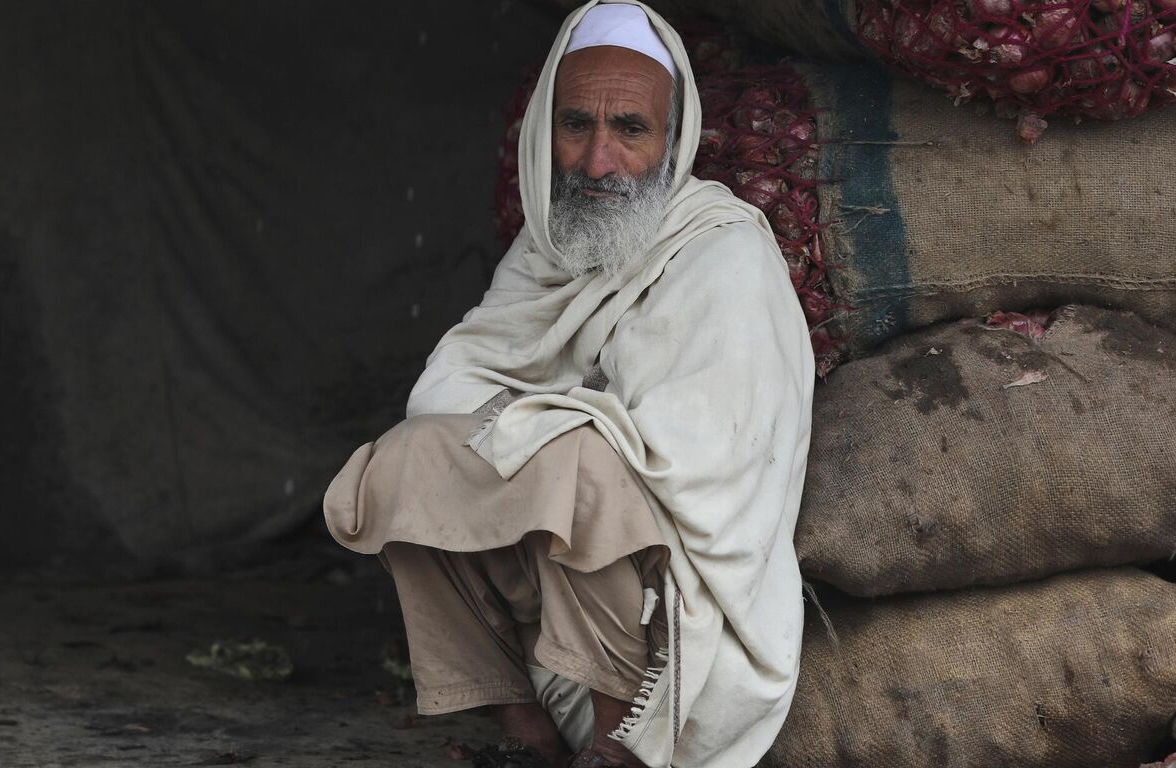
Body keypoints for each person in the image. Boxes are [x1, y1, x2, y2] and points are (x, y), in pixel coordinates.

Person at [322, 2, 815, 766]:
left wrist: (549, 427)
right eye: (576, 124)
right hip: (553, 623)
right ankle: (528, 736)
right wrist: (545, 431)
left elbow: (695, 470)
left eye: (631, 129)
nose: (596, 161)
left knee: (579, 465)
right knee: (410, 457)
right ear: (543, 129)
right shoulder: (554, 240)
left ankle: (618, 747)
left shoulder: (725, 257)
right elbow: (447, 387)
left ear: (675, 138)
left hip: (678, 639)